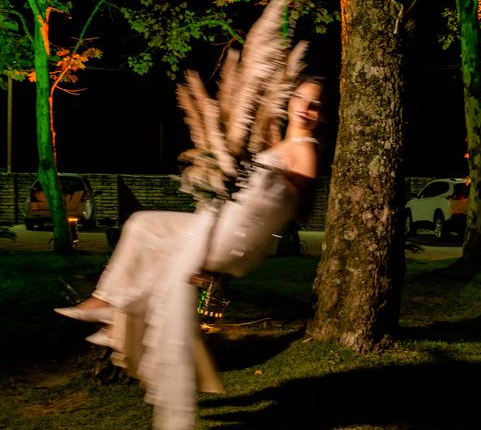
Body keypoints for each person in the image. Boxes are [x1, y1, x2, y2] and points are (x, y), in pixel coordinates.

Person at [54, 75, 324, 430]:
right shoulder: (280, 142)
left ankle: (109, 304)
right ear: (290, 101)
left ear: (321, 115)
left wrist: (273, 189)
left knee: (143, 226)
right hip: (220, 223)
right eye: (301, 99)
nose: (305, 108)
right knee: (142, 227)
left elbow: (301, 211)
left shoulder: (304, 149)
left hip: (234, 235)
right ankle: (109, 301)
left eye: (314, 104)